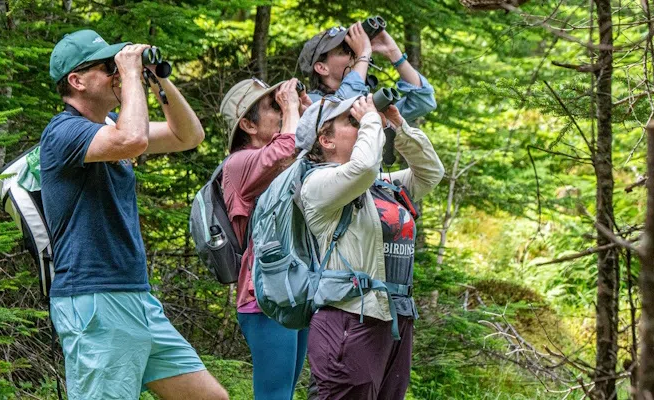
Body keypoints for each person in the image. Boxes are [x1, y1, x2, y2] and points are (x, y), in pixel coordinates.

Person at [40, 29, 228, 400]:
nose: (115, 71)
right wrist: (128, 74)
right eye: (107, 66)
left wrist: (157, 78)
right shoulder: (63, 132)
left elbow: (187, 136)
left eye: (117, 64)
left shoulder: (111, 125)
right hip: (94, 298)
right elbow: (133, 140)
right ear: (76, 81)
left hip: (134, 295)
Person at [295, 95, 444, 399]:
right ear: (325, 140)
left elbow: (430, 173)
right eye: (351, 122)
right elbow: (363, 167)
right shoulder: (317, 184)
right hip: (349, 318)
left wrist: (399, 126)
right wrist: (371, 120)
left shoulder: (380, 184)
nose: (362, 124)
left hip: (394, 317)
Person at [219, 77, 312, 399]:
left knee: (284, 392)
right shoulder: (239, 163)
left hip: (294, 289)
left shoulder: (280, 161)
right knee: (274, 396)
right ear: (247, 124)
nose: (282, 110)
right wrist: (290, 108)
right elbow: (286, 150)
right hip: (264, 298)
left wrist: (305, 109)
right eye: (272, 107)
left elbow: (312, 149)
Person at [298, 22, 436, 124]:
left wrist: (394, 53)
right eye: (345, 51)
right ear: (322, 68)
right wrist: (363, 53)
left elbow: (423, 102)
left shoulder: (367, 104)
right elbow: (343, 107)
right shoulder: (311, 104)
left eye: (353, 49)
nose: (354, 55)